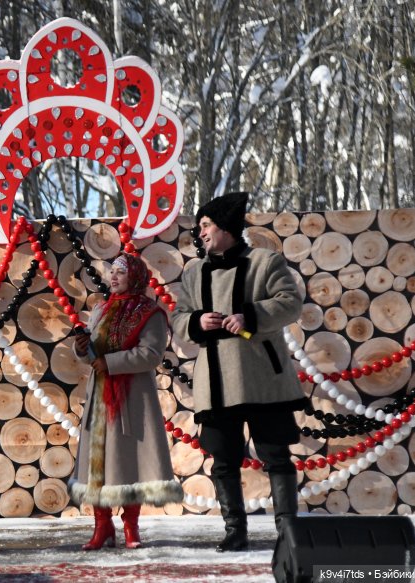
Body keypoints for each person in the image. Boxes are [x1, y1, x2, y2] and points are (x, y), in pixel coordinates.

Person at [170, 191, 306, 552]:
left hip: (264, 379)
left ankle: (289, 532)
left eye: (205, 225)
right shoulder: (194, 271)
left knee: (276, 457)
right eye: (199, 227)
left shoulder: (266, 261)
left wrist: (251, 315)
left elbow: (291, 304)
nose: (200, 233)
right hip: (216, 382)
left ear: (226, 227)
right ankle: (235, 531)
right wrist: (198, 320)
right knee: (223, 461)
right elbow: (179, 317)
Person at [70, 253, 184, 550]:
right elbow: (90, 355)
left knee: (130, 459)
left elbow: (151, 354)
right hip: (100, 396)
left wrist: (110, 362)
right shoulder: (101, 309)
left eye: (121, 273)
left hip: (133, 398)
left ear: (134, 276)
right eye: (113, 273)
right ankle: (102, 525)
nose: (114, 277)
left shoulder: (151, 313)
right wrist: (82, 348)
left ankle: (131, 527)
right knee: (98, 462)